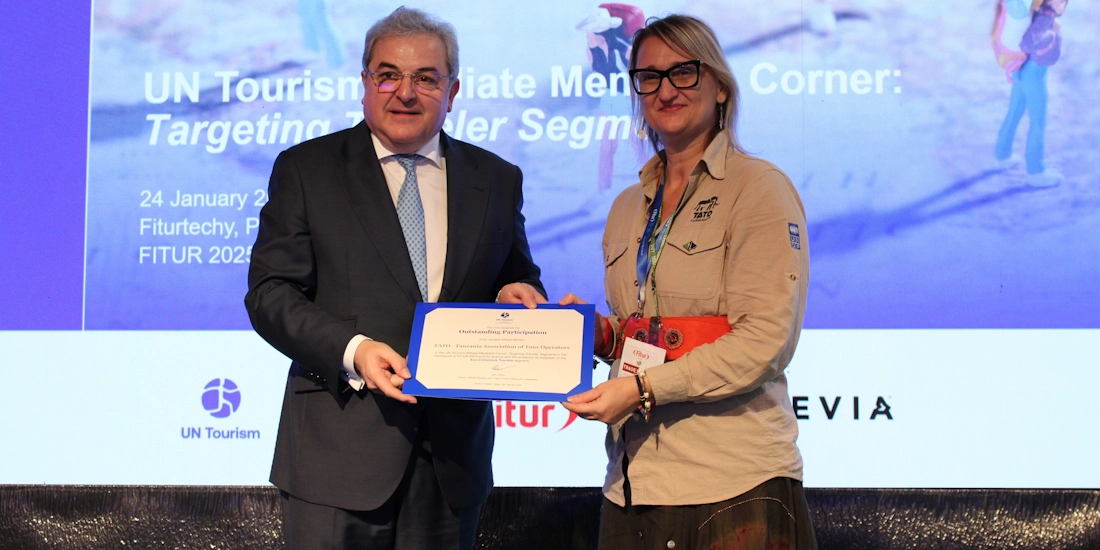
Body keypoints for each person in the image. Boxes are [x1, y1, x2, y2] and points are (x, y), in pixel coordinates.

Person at [244, 7, 546, 549]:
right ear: (365, 83)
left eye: (426, 78)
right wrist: (354, 350)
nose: (405, 93)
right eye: (388, 75)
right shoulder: (308, 170)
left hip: (451, 464)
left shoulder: (497, 179)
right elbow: (271, 294)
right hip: (336, 459)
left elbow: (514, 274)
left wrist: (514, 293)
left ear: (452, 91)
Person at [560, 14, 817, 549]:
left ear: (720, 85)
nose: (665, 89)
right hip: (631, 485)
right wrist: (601, 335)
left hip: (733, 483)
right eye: (648, 77)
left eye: (683, 72)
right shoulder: (627, 206)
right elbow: (645, 330)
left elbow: (763, 342)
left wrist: (642, 389)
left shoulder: (759, 188)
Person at [994, 0, 1069, 184]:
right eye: (1060, 1)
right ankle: (1036, 171)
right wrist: (1052, 33)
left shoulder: (1036, 11)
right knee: (1038, 121)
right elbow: (1028, 44)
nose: (1063, 4)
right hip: (1034, 75)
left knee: (1014, 112)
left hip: (1022, 69)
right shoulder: (1045, 18)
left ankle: (1002, 155)